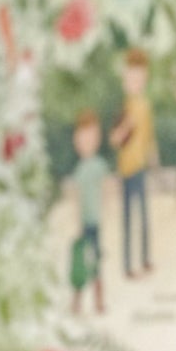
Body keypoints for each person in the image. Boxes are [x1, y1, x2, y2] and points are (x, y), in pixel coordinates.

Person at [110, 46, 156, 275]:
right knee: (128, 218)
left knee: (144, 216)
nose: (134, 82)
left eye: (139, 78)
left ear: (144, 79)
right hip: (125, 168)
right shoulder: (124, 108)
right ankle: (128, 265)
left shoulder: (145, 106)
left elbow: (149, 136)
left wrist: (153, 158)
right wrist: (125, 127)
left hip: (141, 167)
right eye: (130, 78)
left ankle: (146, 259)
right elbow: (114, 139)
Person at [63, 109, 109, 314]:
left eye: (91, 137)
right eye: (82, 138)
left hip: (95, 221)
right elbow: (76, 197)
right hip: (83, 222)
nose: (85, 142)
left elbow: (106, 191)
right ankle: (77, 302)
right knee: (80, 264)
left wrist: (106, 213)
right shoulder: (79, 169)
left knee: (95, 261)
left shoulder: (99, 165)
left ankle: (98, 301)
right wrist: (75, 221)